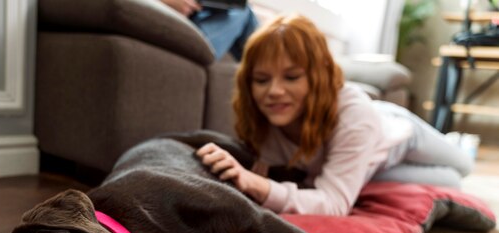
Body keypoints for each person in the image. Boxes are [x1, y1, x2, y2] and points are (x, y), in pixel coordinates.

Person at [196, 15, 473, 216]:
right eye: (261, 80)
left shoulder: (354, 112)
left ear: (316, 78)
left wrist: (260, 185)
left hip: (396, 133)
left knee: (463, 167)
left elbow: (333, 205)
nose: (274, 91)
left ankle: (459, 143)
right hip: (372, 164)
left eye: (291, 77)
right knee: (452, 183)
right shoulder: (263, 119)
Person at [159, 0, 259, 60]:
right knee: (243, 11)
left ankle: (263, 66)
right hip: (186, 28)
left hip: (195, 14)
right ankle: (265, 64)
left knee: (240, 6)